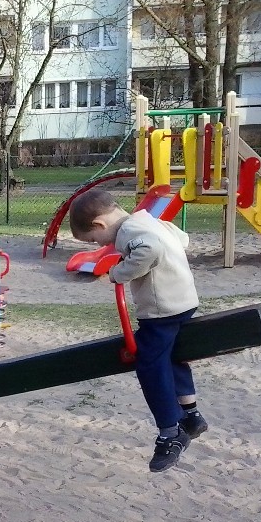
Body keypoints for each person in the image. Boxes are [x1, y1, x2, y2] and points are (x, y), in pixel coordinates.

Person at [68, 188, 209, 472]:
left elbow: (150, 250)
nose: (99, 244)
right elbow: (181, 238)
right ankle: (191, 414)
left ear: (99, 224)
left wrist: (119, 273)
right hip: (184, 302)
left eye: (93, 239)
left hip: (162, 310)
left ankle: (171, 432)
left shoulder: (129, 231)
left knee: (149, 364)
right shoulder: (149, 221)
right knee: (174, 357)